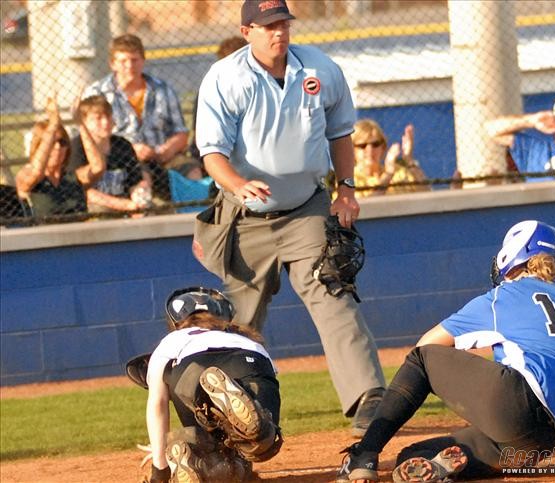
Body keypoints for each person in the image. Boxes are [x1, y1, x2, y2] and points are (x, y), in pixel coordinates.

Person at [193, 0, 386, 437]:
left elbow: (340, 133)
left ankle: (369, 396)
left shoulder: (318, 69)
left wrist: (346, 190)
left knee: (333, 292)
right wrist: (237, 182)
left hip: (306, 208)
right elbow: (212, 153)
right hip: (245, 216)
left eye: (283, 23)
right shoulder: (226, 78)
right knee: (238, 320)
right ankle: (229, 414)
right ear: (246, 32)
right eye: (268, 26)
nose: (278, 32)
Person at [337, 220, 555, 482]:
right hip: (544, 440)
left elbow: (426, 345)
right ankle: (441, 466)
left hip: (515, 403)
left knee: (421, 360)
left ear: (512, 255)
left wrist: (463, 389)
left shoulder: (503, 296)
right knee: (413, 455)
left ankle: (363, 454)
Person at [141, 287, 282, 483]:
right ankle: (254, 423)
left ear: (176, 321)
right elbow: (271, 376)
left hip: (192, 372)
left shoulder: (172, 340)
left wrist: (159, 470)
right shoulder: (244, 338)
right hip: (250, 360)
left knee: (215, 456)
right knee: (263, 442)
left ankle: (198, 461)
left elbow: (158, 403)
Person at [82, 34, 194, 201]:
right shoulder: (97, 92)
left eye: (134, 60)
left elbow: (181, 132)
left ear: (143, 61)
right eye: (123, 61)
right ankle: (144, 210)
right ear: (112, 64)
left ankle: (193, 210)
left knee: (191, 169)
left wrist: (161, 152)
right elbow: (87, 135)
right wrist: (130, 150)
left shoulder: (162, 89)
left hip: (161, 156)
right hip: (120, 160)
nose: (129, 66)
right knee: (141, 175)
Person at [15, 96, 105, 219]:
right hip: (44, 231)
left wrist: (80, 124)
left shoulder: (74, 178)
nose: (58, 147)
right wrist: (53, 124)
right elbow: (36, 172)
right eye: (52, 143)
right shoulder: (26, 175)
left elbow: (98, 167)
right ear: (39, 146)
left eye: (62, 143)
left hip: (78, 230)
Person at [70, 95, 150, 214]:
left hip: (126, 203)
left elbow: (135, 181)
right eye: (98, 118)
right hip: (95, 207)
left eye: (108, 116)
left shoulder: (122, 144)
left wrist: (139, 199)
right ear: (84, 122)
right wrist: (125, 205)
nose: (105, 122)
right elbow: (84, 192)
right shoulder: (76, 148)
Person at [352, 120, 428, 197]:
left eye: (375, 144)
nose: (370, 150)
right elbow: (369, 203)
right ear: (352, 150)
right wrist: (388, 174)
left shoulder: (400, 173)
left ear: (383, 148)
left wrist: (409, 159)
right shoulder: (351, 179)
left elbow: (427, 193)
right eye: (362, 146)